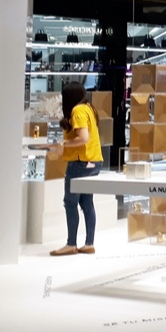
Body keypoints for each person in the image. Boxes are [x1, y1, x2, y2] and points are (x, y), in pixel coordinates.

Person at [50, 82, 102, 256]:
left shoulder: (77, 111)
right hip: (94, 160)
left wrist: (64, 143)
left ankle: (71, 243)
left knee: (71, 202)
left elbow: (83, 138)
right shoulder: (89, 108)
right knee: (87, 202)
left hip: (80, 162)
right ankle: (89, 243)